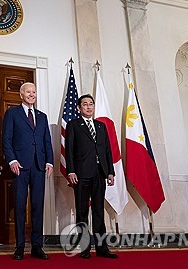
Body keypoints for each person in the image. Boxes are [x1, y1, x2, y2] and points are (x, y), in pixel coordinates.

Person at [2, 82, 54, 260]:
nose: (32, 95)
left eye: (34, 92)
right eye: (28, 92)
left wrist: (50, 161)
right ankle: (19, 247)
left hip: (40, 166)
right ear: (21, 95)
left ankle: (37, 246)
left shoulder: (42, 116)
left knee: (38, 206)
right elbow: (6, 139)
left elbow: (47, 140)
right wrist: (12, 160)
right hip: (20, 167)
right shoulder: (12, 113)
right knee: (19, 206)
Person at [65, 94, 117, 259]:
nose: (88, 107)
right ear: (79, 108)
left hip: (99, 173)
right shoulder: (73, 125)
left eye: (91, 104)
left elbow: (107, 150)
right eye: (85, 104)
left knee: (98, 211)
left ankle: (102, 248)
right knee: (82, 212)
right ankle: (85, 247)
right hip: (80, 174)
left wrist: (110, 171)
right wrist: (71, 171)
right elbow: (69, 150)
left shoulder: (101, 126)